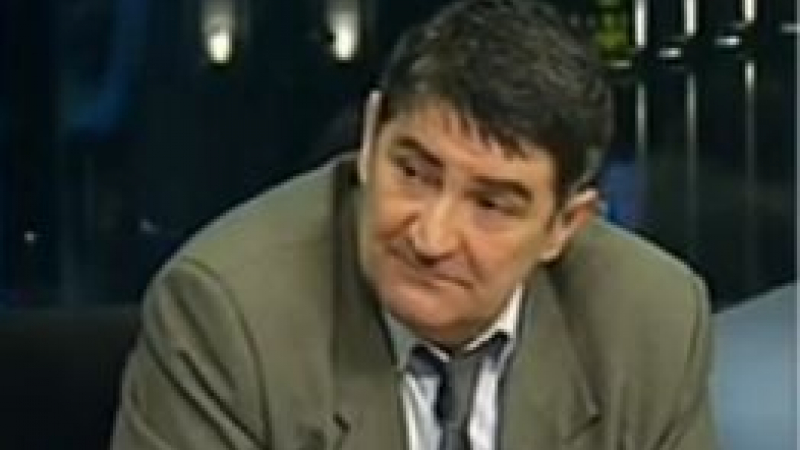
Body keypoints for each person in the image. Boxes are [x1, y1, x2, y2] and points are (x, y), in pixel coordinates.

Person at [110, 1, 717, 449]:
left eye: (491, 205)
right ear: (372, 135)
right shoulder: (228, 316)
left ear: (565, 225)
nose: (431, 238)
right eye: (414, 173)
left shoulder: (649, 322)